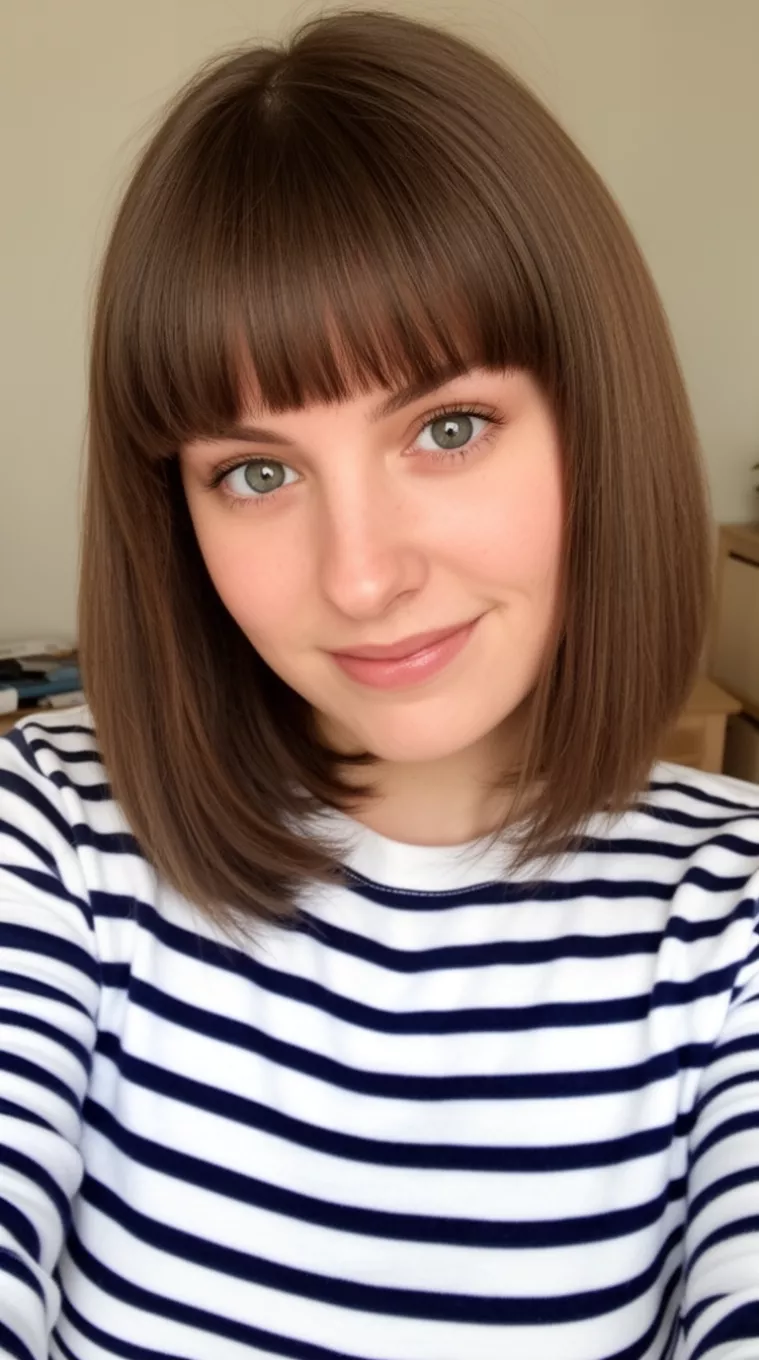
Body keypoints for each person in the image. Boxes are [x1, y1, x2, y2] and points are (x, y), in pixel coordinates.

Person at [1, 7, 757, 1358]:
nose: (358, 577)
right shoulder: (49, 830)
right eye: (255, 471)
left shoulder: (728, 923)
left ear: (594, 420)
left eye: (447, 427)